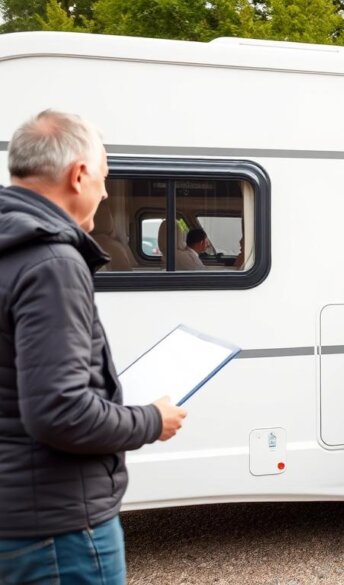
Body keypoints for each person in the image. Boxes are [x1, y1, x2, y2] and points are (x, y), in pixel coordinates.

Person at [0, 110, 187, 583]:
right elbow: (59, 410)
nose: (106, 193)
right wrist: (151, 420)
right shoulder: (52, 262)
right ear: (78, 175)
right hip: (57, 530)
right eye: (104, 178)